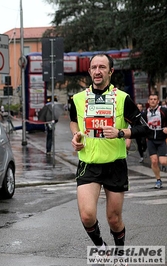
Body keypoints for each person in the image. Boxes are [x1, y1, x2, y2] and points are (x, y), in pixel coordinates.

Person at [70, 53, 147, 265]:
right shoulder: (77, 99)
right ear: (89, 71)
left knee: (114, 219)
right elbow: (73, 122)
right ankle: (102, 250)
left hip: (115, 165)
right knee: (87, 216)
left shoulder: (123, 98)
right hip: (89, 164)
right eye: (94, 67)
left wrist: (122, 133)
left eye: (102, 67)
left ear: (110, 71)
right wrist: (76, 135)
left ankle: (120, 254)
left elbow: (143, 128)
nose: (97, 71)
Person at [142, 94, 167, 189]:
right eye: (151, 99)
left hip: (161, 139)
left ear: (158, 101)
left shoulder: (164, 111)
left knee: (163, 162)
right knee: (154, 161)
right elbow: (141, 126)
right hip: (151, 140)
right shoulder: (145, 113)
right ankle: (158, 180)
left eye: (155, 99)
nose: (153, 101)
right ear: (148, 101)